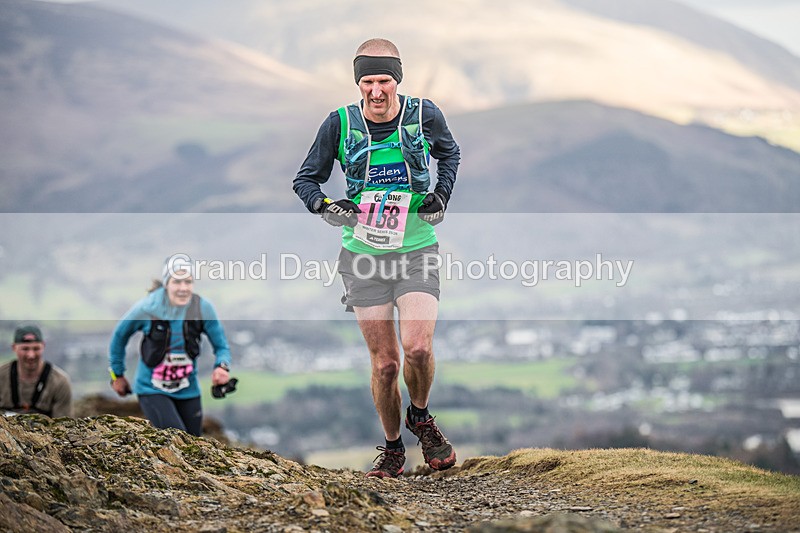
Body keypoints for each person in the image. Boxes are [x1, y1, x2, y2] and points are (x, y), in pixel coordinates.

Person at [293, 38, 460, 478]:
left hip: (416, 247)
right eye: (367, 81)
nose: (376, 90)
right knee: (385, 364)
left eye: (383, 80)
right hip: (363, 256)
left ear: (397, 80)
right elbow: (306, 180)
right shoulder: (340, 124)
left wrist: (441, 194)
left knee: (418, 349)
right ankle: (392, 449)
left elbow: (450, 153)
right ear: (358, 83)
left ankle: (420, 417)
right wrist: (327, 208)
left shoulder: (424, 115)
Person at [108, 257, 232, 436]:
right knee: (177, 438)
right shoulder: (147, 308)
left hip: (188, 389)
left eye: (188, 282)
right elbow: (119, 337)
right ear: (167, 284)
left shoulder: (202, 309)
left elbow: (222, 346)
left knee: (195, 446)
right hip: (152, 389)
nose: (183, 288)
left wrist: (221, 366)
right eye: (177, 281)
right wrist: (117, 375)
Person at [0, 324, 73, 418]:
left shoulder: (60, 382)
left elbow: (64, 425)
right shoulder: (2, 376)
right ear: (14, 347)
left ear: (43, 346)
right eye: (25, 349)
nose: (31, 355)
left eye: (36, 349)